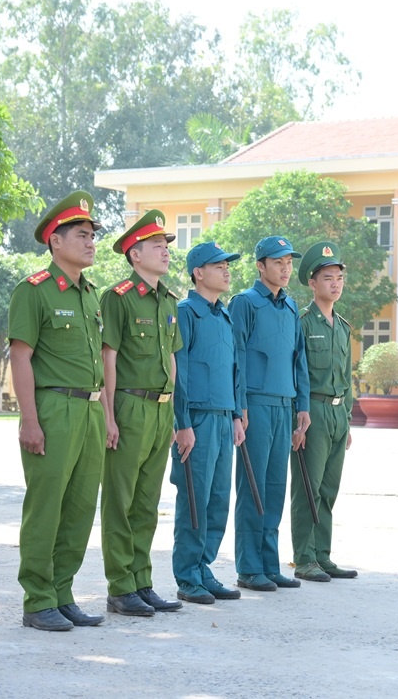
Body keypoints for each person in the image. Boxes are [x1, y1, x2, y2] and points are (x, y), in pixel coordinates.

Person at [8, 190, 107, 631]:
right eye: (82, 235)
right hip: (53, 407)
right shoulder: (34, 291)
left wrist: (106, 414)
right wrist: (30, 419)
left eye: (92, 236)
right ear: (56, 242)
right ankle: (37, 599)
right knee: (46, 506)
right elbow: (20, 357)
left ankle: (62, 592)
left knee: (81, 507)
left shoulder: (90, 295)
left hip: (89, 410)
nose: (91, 242)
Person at [100, 210, 183, 616]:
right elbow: (108, 358)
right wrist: (109, 415)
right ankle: (120, 586)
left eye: (166, 246)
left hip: (160, 409)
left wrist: (173, 412)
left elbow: (171, 357)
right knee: (121, 499)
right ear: (135, 254)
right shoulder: (117, 298)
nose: (165, 252)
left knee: (148, 503)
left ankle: (141, 580)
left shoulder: (169, 299)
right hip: (129, 405)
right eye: (156, 246)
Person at [229, 236, 310, 592]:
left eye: (288, 262)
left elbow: (299, 359)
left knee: (276, 487)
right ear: (260, 266)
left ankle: (269, 563)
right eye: (278, 262)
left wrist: (302, 405)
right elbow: (237, 356)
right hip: (256, 405)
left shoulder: (291, 306)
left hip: (284, 404)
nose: (285, 268)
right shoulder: (244, 303)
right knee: (253, 486)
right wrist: (239, 404)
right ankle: (249, 567)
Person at [171, 242, 247, 605]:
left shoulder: (224, 315)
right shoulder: (185, 312)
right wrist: (181, 421)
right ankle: (187, 576)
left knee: (218, 501)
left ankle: (204, 568)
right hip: (196, 421)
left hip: (222, 418)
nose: (227, 270)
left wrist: (236, 414)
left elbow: (234, 369)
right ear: (198, 272)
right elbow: (179, 371)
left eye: (228, 266)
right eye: (219, 266)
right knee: (194, 500)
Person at [290, 241, 357, 583]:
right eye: (328, 277)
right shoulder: (302, 322)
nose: (335, 284)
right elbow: (295, 372)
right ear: (312, 283)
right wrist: (297, 420)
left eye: (339, 278)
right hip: (311, 412)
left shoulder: (343, 327)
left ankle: (323, 555)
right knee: (308, 486)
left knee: (329, 488)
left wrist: (347, 420)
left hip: (335, 415)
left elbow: (346, 378)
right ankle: (303, 557)